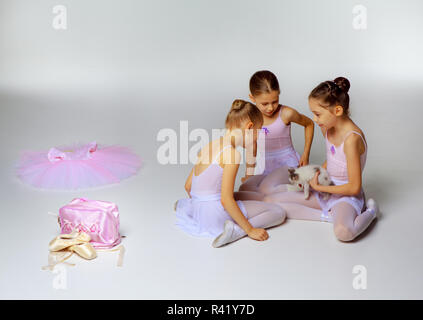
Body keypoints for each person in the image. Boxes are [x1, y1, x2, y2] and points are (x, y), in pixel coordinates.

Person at [175, 99, 286, 247]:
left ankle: (194, 209)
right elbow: (225, 200)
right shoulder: (232, 154)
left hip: (197, 209)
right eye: (257, 134)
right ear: (249, 127)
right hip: (215, 215)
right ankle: (237, 230)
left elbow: (188, 186)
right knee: (278, 212)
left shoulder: (209, 145)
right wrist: (250, 230)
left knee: (252, 196)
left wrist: (200, 206)